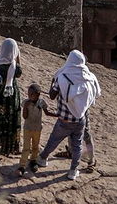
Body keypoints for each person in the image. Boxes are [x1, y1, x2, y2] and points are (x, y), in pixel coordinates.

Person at [35, 50, 100, 181]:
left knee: (54, 139)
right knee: (79, 144)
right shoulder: (89, 77)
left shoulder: (62, 77)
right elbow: (94, 94)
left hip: (64, 119)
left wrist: (53, 81)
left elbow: (52, 96)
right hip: (81, 117)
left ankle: (43, 158)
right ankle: (74, 169)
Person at [18, 83, 49, 176]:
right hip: (27, 128)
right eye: (28, 94)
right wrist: (26, 108)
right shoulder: (25, 103)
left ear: (38, 95)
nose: (29, 96)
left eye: (32, 94)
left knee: (35, 146)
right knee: (26, 148)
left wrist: (58, 115)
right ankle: (22, 166)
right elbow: (24, 116)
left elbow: (47, 112)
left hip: (37, 129)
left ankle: (33, 161)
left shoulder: (42, 102)